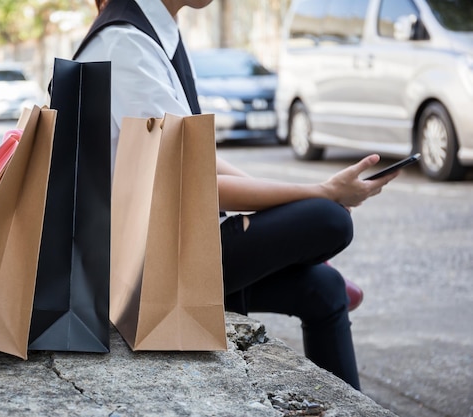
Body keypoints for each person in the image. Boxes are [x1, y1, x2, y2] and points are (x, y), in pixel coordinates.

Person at [72, 0, 399, 391]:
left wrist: (298, 202)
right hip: (127, 273)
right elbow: (191, 185)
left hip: (152, 251)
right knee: (328, 219)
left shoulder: (146, 33)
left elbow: (198, 159)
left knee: (323, 287)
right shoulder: (125, 45)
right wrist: (317, 194)